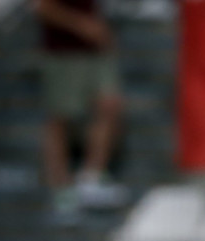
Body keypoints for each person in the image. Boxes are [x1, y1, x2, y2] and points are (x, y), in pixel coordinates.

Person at [34, 0, 127, 224]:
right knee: (60, 118)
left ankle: (91, 178)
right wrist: (82, 25)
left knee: (110, 105)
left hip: (96, 49)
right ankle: (61, 189)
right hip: (63, 51)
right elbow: (41, 6)